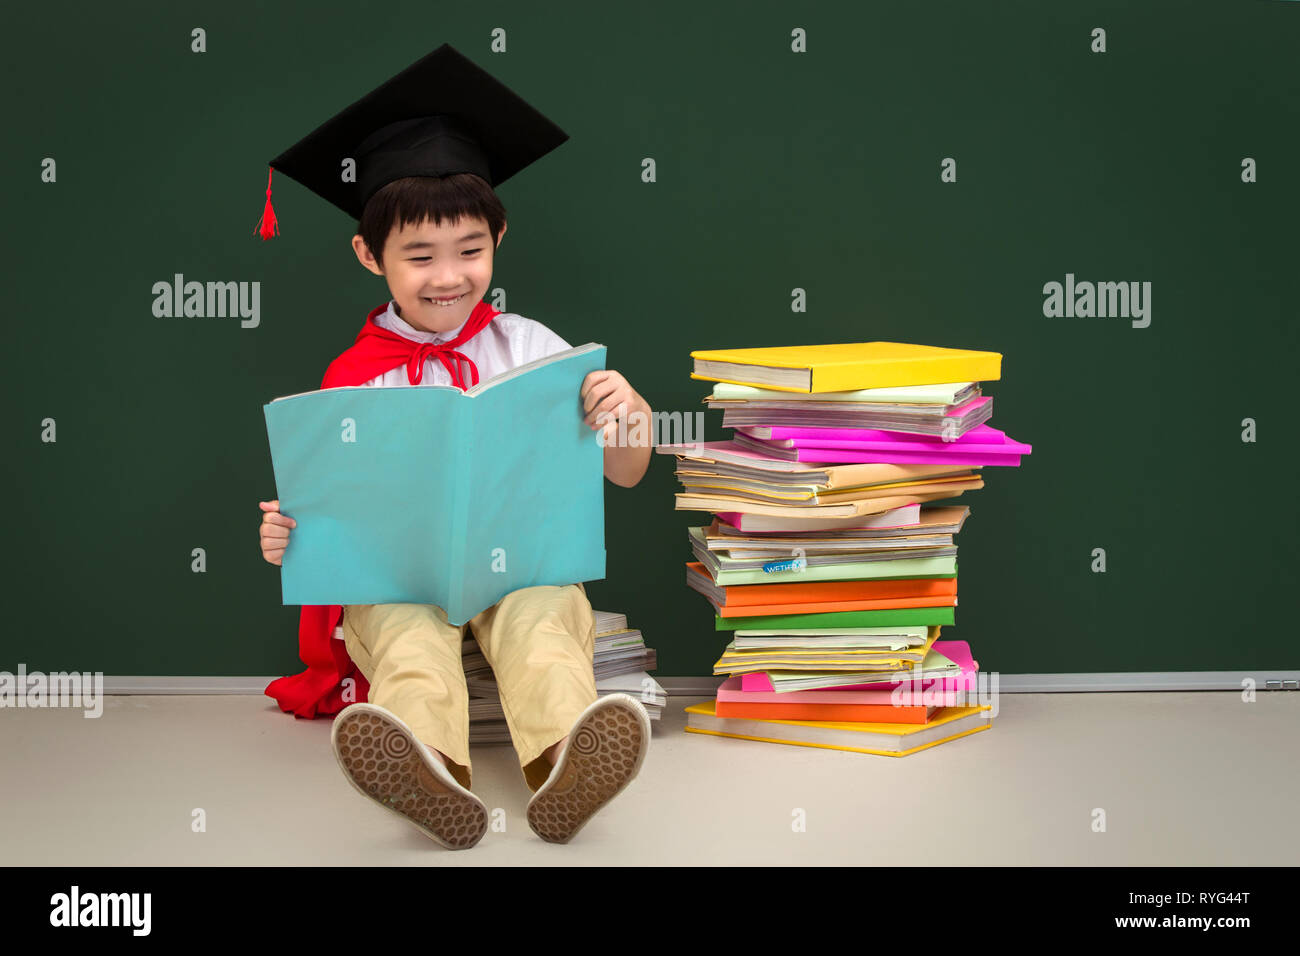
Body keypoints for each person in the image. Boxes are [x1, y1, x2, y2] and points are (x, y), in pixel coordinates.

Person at [254, 43, 652, 848]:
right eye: (419, 256)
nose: (449, 276)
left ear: (498, 237)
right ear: (370, 256)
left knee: (543, 625)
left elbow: (628, 473)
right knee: (405, 641)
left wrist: (629, 415)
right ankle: (429, 770)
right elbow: (329, 518)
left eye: (470, 250)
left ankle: (570, 760)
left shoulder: (537, 349)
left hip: (523, 566)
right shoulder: (350, 381)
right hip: (402, 578)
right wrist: (286, 538)